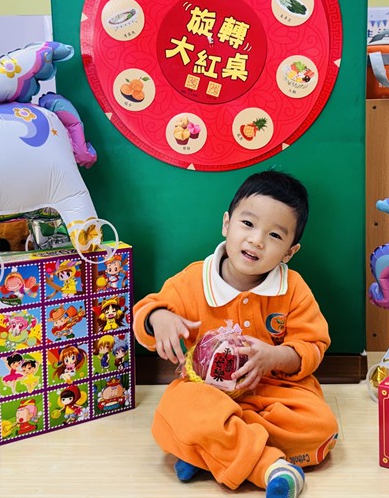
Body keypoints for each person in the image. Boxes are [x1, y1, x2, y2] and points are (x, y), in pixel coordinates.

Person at [134, 170, 336, 498]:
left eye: (274, 235)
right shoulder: (193, 280)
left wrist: (275, 356)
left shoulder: (293, 288)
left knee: (320, 427)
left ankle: (211, 450)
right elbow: (145, 311)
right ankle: (269, 467)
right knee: (174, 409)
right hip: (208, 393)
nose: (257, 240)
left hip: (275, 392)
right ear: (227, 224)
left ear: (289, 252)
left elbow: (312, 346)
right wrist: (159, 318)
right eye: (248, 224)